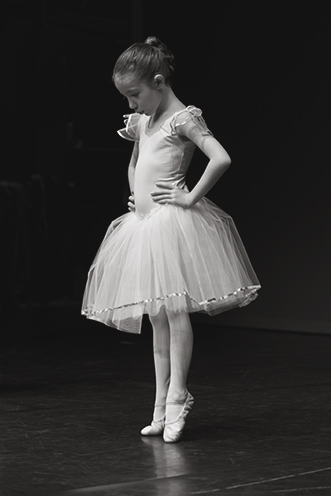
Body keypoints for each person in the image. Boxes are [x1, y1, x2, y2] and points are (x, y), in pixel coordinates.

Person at [82, 36, 261, 443]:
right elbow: (135, 161)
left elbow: (221, 157)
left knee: (175, 313)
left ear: (159, 81)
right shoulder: (143, 122)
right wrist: (134, 195)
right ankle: (161, 404)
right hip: (143, 224)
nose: (131, 105)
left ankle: (180, 396)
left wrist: (190, 195)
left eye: (134, 94)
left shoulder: (182, 118)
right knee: (156, 317)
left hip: (171, 223)